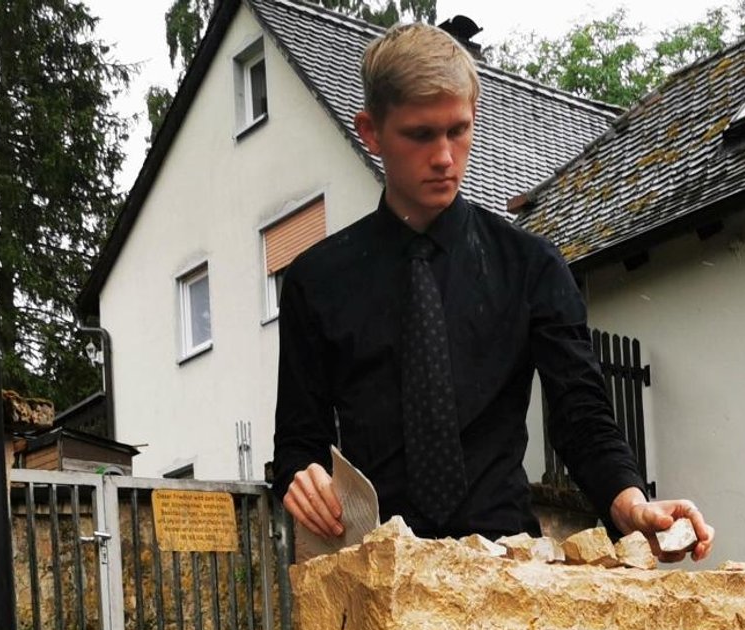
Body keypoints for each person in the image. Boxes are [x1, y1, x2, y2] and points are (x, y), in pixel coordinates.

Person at [271, 23, 712, 558]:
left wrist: (631, 503)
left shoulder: (532, 267)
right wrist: (302, 478)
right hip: (378, 571)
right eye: (419, 134)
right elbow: (299, 443)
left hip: (507, 566)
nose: (444, 157)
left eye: (459, 130)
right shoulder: (315, 283)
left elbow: (581, 417)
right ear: (371, 131)